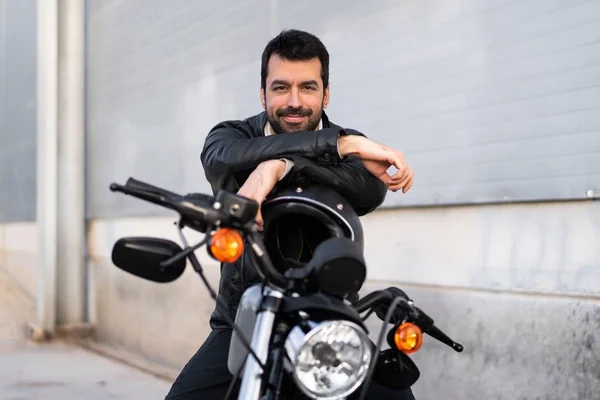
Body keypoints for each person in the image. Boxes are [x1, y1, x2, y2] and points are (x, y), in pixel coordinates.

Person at [166, 29, 415, 400]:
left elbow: (369, 189)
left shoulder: (354, 147)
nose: (294, 102)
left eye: (308, 88)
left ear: (326, 93)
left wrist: (278, 167)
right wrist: (334, 145)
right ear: (263, 93)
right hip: (243, 321)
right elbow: (221, 160)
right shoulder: (233, 137)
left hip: (329, 319)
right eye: (281, 88)